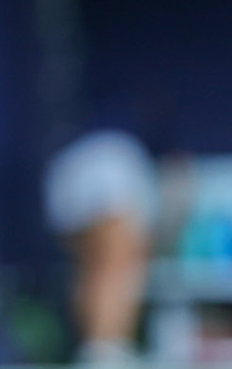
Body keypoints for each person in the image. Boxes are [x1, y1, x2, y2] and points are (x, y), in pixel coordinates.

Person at [44, 129, 157, 364]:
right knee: (114, 268)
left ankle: (100, 348)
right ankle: (104, 350)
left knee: (94, 268)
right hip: (106, 164)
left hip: (72, 164)